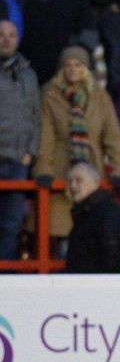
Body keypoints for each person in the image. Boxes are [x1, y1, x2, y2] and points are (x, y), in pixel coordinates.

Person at [32, 45, 120, 248]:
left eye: (77, 64)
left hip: (92, 170)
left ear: (85, 68)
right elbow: (45, 138)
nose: (72, 69)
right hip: (61, 171)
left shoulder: (100, 97)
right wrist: (43, 170)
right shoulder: (50, 95)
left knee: (91, 230)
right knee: (62, 234)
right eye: (67, 65)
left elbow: (113, 137)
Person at [0, 20, 40, 260]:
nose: (6, 39)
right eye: (1, 34)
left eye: (11, 35)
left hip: (18, 163)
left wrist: (31, 151)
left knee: (12, 226)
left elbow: (37, 117)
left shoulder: (28, 74)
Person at [64, 162, 120, 273]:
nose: (73, 186)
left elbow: (112, 260)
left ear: (96, 182)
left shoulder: (108, 213)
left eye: (79, 180)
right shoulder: (85, 211)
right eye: (70, 181)